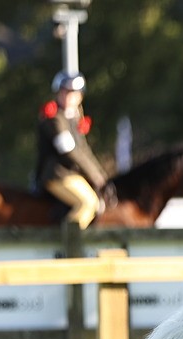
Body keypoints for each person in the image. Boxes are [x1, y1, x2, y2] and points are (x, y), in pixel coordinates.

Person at [35, 71, 107, 230]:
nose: (69, 97)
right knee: (88, 203)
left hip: (73, 174)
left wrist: (100, 174)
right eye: (65, 92)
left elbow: (84, 150)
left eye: (73, 93)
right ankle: (70, 246)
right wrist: (93, 174)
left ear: (80, 96)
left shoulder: (74, 117)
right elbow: (69, 151)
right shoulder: (54, 118)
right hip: (58, 175)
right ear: (58, 93)